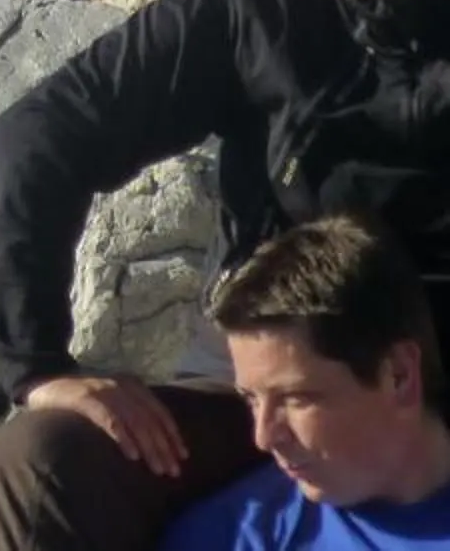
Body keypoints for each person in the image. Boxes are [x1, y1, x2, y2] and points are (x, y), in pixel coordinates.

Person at [0, 0, 450, 551]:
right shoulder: (260, 5)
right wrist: (39, 370)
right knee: (34, 465)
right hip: (267, 389)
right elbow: (40, 136)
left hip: (420, 396)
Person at [156, 215, 450, 550]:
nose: (264, 438)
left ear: (399, 376)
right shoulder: (231, 538)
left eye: (296, 398)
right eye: (251, 399)